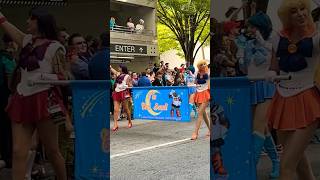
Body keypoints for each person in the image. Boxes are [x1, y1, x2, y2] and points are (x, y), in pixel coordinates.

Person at [0, 8, 71, 180]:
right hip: (22, 99)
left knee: (52, 151)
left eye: (31, 19)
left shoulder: (56, 47)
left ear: (40, 21)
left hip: (45, 100)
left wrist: (42, 77)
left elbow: (64, 77)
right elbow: (6, 25)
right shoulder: (26, 41)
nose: (27, 22)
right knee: (18, 151)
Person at [267, 0, 320, 179]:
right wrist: (270, 74)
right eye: (294, 11)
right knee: (300, 166)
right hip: (282, 101)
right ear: (287, 16)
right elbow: (273, 68)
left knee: (286, 165)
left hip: (307, 100)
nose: (300, 14)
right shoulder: (278, 38)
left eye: (303, 9)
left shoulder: (316, 37)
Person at [244, 12, 280, 179]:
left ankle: (250, 168)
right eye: (249, 26)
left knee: (258, 128)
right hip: (252, 87)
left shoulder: (272, 42)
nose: (249, 29)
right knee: (261, 129)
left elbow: (276, 64)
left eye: (253, 26)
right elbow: (245, 69)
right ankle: (276, 161)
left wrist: (263, 44)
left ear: (261, 26)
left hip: (266, 87)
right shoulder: (247, 45)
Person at [0, 34, 17, 170]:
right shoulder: (7, 58)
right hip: (5, 99)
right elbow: (13, 81)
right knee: (6, 129)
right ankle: (8, 158)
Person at [191, 60, 210, 140]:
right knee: (203, 113)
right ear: (199, 66)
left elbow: (209, 84)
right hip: (199, 93)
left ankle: (195, 132)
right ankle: (211, 129)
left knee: (199, 113)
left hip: (206, 93)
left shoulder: (208, 73)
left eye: (204, 64)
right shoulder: (197, 73)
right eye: (201, 64)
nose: (203, 65)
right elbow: (195, 82)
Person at [110, 65, 133, 131]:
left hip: (124, 92)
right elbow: (112, 69)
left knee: (126, 109)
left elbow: (130, 85)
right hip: (117, 92)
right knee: (115, 109)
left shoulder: (127, 76)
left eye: (119, 67)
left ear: (122, 68)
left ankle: (129, 121)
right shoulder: (118, 74)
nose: (118, 68)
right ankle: (115, 124)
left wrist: (126, 86)